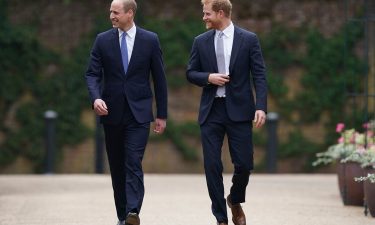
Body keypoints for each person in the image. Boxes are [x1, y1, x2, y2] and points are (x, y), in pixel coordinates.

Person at [85, 0, 168, 224]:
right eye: (110, 11)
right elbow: (92, 74)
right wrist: (96, 98)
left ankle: (133, 211)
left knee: (133, 160)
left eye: (116, 12)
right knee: (117, 166)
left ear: (130, 13)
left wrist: (162, 114)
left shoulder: (150, 40)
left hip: (139, 113)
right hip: (111, 112)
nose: (111, 15)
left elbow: (159, 79)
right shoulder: (102, 40)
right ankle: (123, 217)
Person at [186, 0, 267, 224]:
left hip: (240, 111)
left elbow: (259, 75)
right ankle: (221, 218)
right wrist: (208, 77)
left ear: (221, 13)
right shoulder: (200, 42)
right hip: (211, 111)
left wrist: (260, 106)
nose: (204, 17)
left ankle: (235, 198)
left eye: (207, 13)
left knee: (244, 164)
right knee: (212, 165)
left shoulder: (249, 39)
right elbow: (190, 73)